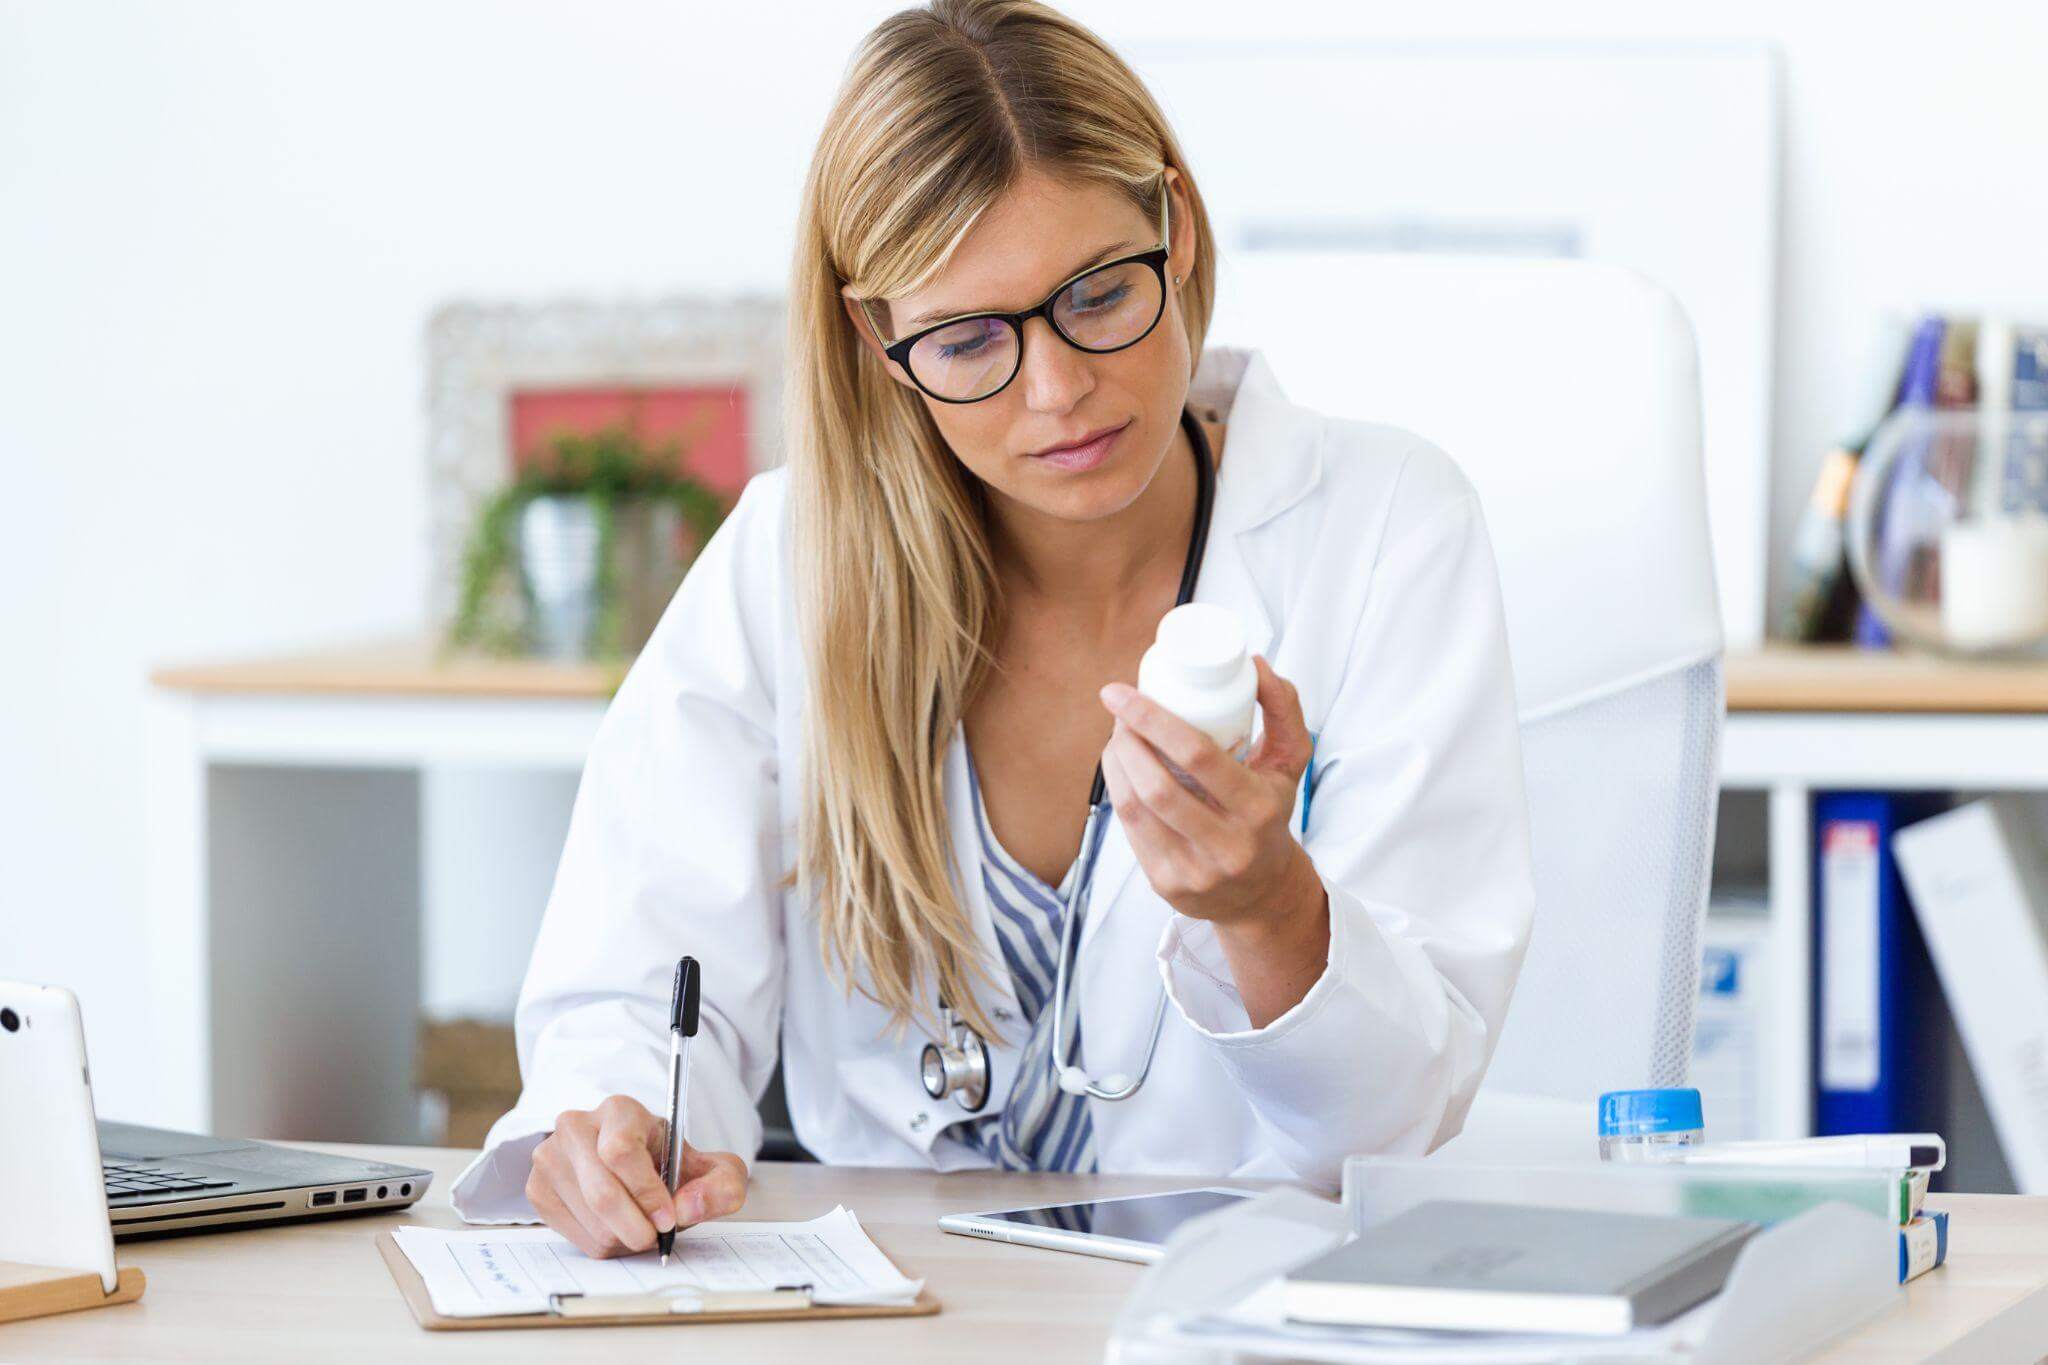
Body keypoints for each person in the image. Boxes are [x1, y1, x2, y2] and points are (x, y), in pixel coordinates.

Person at [450, 0, 1534, 1259]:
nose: (1058, 387)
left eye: (1093, 293)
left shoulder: (1387, 526)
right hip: (881, 1311)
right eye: (967, 339)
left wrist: (1267, 908)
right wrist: (610, 1128)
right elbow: (635, 993)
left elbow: (1392, 1131)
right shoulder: (785, 562)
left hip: (1232, 1303)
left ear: (1173, 229)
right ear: (878, 338)